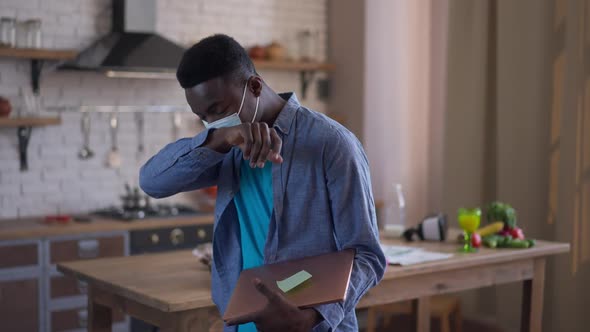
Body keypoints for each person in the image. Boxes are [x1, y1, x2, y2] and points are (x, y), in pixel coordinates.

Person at [139, 34, 385, 332]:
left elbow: (367, 256)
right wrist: (220, 138)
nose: (212, 122)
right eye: (203, 117)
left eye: (217, 110)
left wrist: (310, 318)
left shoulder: (332, 144)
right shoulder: (225, 150)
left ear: (254, 86)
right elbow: (152, 181)